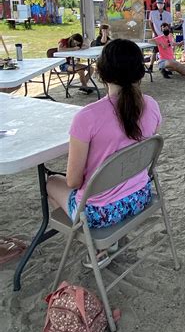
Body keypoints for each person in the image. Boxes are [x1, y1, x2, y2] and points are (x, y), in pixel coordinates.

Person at [46, 39, 162, 267]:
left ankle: (97, 250)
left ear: (101, 71)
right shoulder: (151, 105)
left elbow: (73, 181)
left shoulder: (87, 117)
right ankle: (112, 241)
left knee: (51, 181)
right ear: (140, 71)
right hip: (140, 196)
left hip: (100, 214)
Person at [149, 0, 173, 71]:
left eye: (161, 3)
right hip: (156, 35)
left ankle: (166, 68)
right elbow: (150, 23)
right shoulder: (152, 13)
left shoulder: (168, 14)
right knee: (155, 51)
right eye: (159, 3)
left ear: (164, 4)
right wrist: (154, 32)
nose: (160, 4)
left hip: (165, 36)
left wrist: (167, 34)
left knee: (166, 51)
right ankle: (151, 66)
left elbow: (168, 25)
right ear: (156, 4)